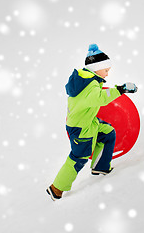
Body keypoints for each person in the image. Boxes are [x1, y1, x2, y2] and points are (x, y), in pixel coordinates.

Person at [46, 44, 138, 201]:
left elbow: (96, 94)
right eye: (106, 70)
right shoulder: (90, 85)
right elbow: (100, 98)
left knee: (107, 133)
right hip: (81, 129)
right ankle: (57, 188)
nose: (107, 74)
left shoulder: (85, 79)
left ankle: (100, 167)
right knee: (78, 158)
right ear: (96, 68)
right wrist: (121, 89)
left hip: (88, 122)